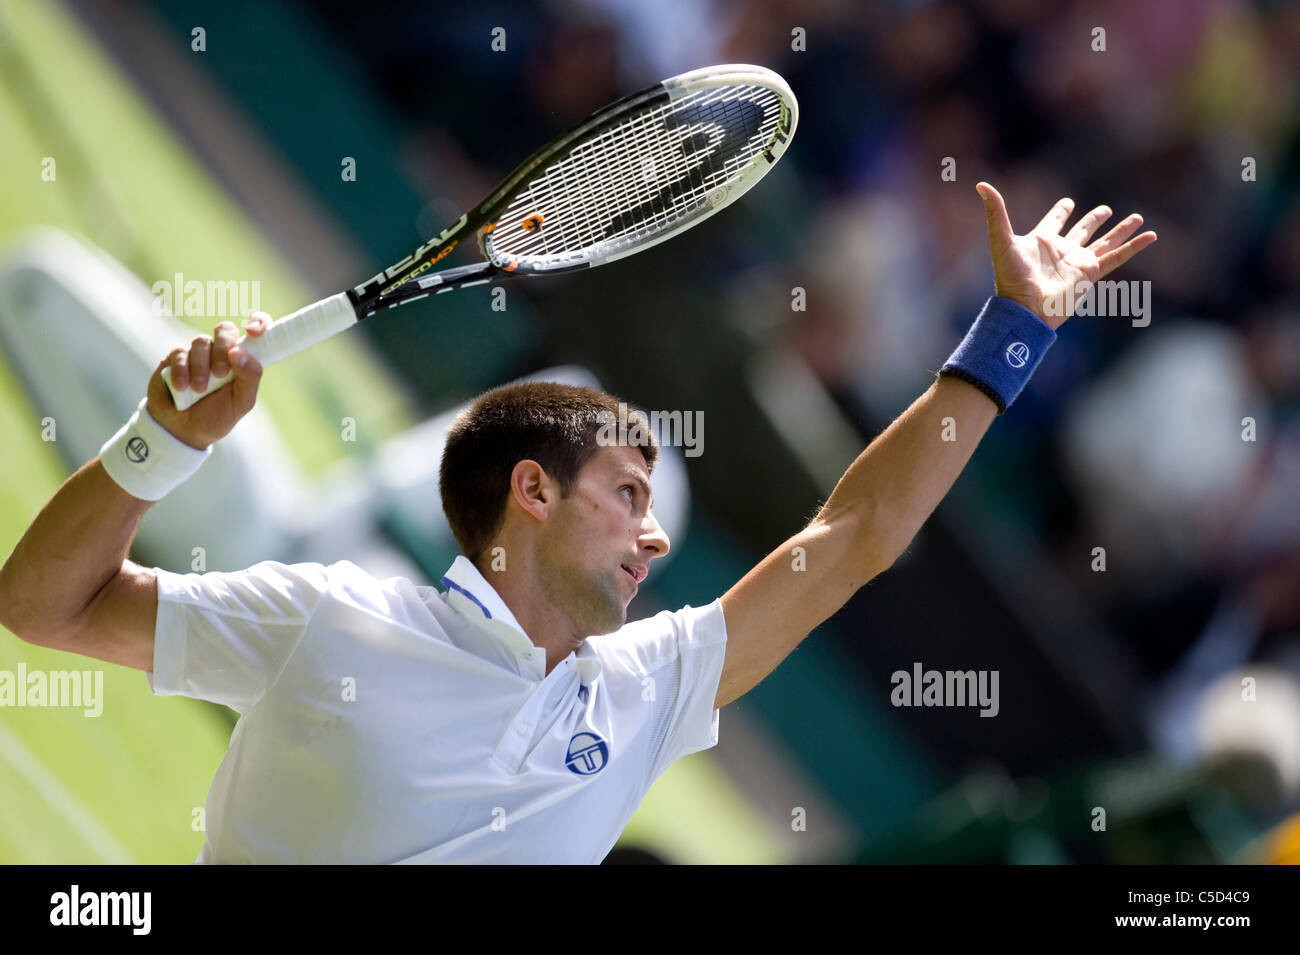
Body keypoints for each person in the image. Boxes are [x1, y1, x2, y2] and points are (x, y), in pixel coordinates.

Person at [0, 183, 1156, 863]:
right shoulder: (326, 613)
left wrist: (1009, 336)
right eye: (631, 496)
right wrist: (166, 440)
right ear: (531, 494)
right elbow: (41, 606)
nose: (656, 540)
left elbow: (850, 536)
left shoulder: (642, 688)